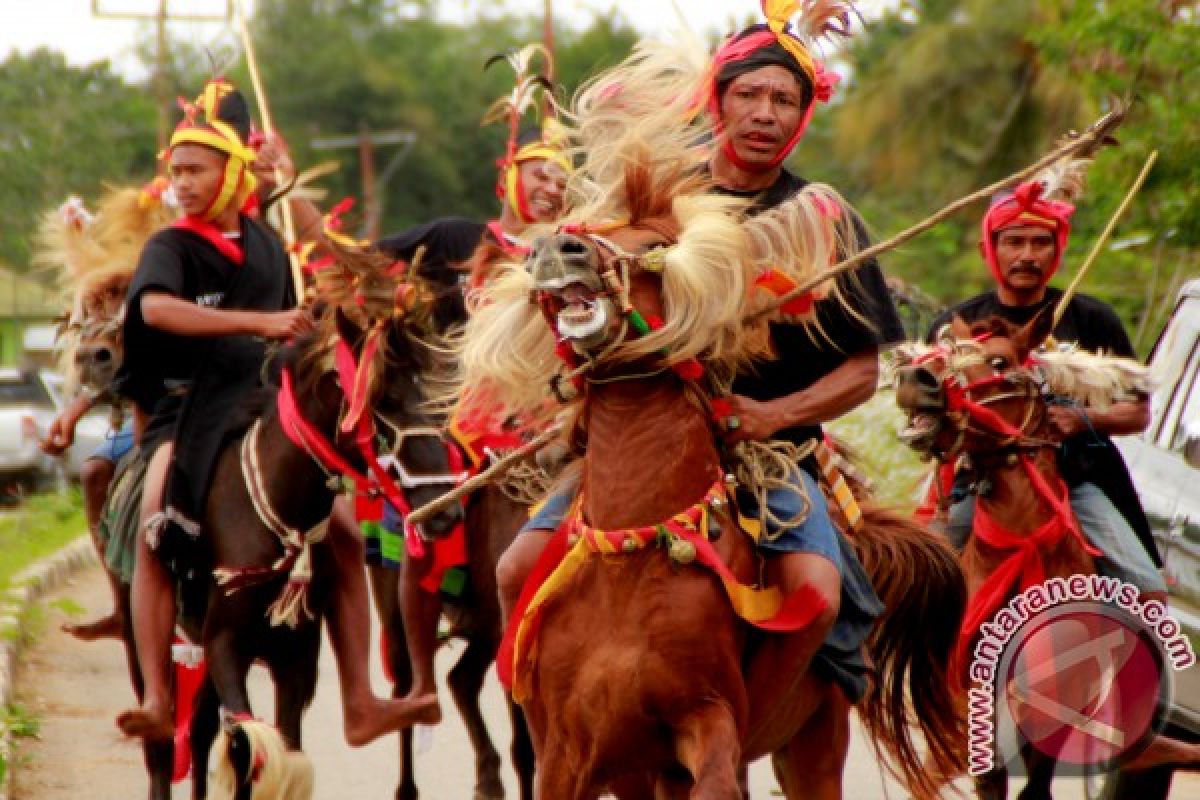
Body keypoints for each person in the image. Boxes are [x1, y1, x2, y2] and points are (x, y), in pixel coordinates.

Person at [496, 4, 906, 719]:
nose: (765, 113)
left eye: (784, 100)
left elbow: (862, 372)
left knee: (817, 590)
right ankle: (549, 726)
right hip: (634, 449)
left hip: (770, 456)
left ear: (803, 117)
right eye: (749, 94)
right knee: (515, 569)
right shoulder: (658, 197)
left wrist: (770, 415)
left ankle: (750, 723)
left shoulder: (824, 220)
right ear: (717, 100)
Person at [113, 78, 433, 745]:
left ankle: (360, 702)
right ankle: (155, 695)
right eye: (175, 172)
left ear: (232, 173)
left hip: (259, 405)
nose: (183, 183)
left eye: (196, 170)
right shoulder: (169, 247)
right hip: (184, 411)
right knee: (154, 516)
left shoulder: (265, 243)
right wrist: (260, 320)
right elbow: (152, 310)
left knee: (342, 533)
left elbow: (295, 326)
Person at [373, 118, 569, 719]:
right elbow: (366, 264)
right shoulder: (455, 238)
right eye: (540, 173)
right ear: (508, 176)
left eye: (563, 179)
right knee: (423, 511)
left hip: (546, 410)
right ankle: (421, 681)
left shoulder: (568, 249)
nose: (551, 187)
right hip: (466, 411)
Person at [925, 180, 1167, 600]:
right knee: (921, 582)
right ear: (989, 250)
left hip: (1078, 479)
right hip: (982, 481)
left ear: (1057, 252)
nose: (1027, 255)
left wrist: (1083, 419)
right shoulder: (955, 326)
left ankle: (1147, 666)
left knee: (1147, 591)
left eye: (1041, 243)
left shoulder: (1093, 319)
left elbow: (1138, 413)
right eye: (1014, 242)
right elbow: (929, 414)